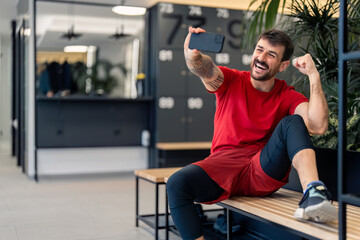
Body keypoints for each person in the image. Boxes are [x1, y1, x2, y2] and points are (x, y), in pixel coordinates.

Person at [166, 27, 338, 240]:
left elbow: (318, 126)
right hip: (223, 165)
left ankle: (313, 193)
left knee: (292, 121)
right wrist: (192, 55)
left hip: (261, 170)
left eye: (271, 54)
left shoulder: (286, 95)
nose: (262, 58)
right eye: (260, 50)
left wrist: (313, 75)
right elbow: (205, 69)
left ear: (283, 65)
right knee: (176, 184)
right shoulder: (230, 80)